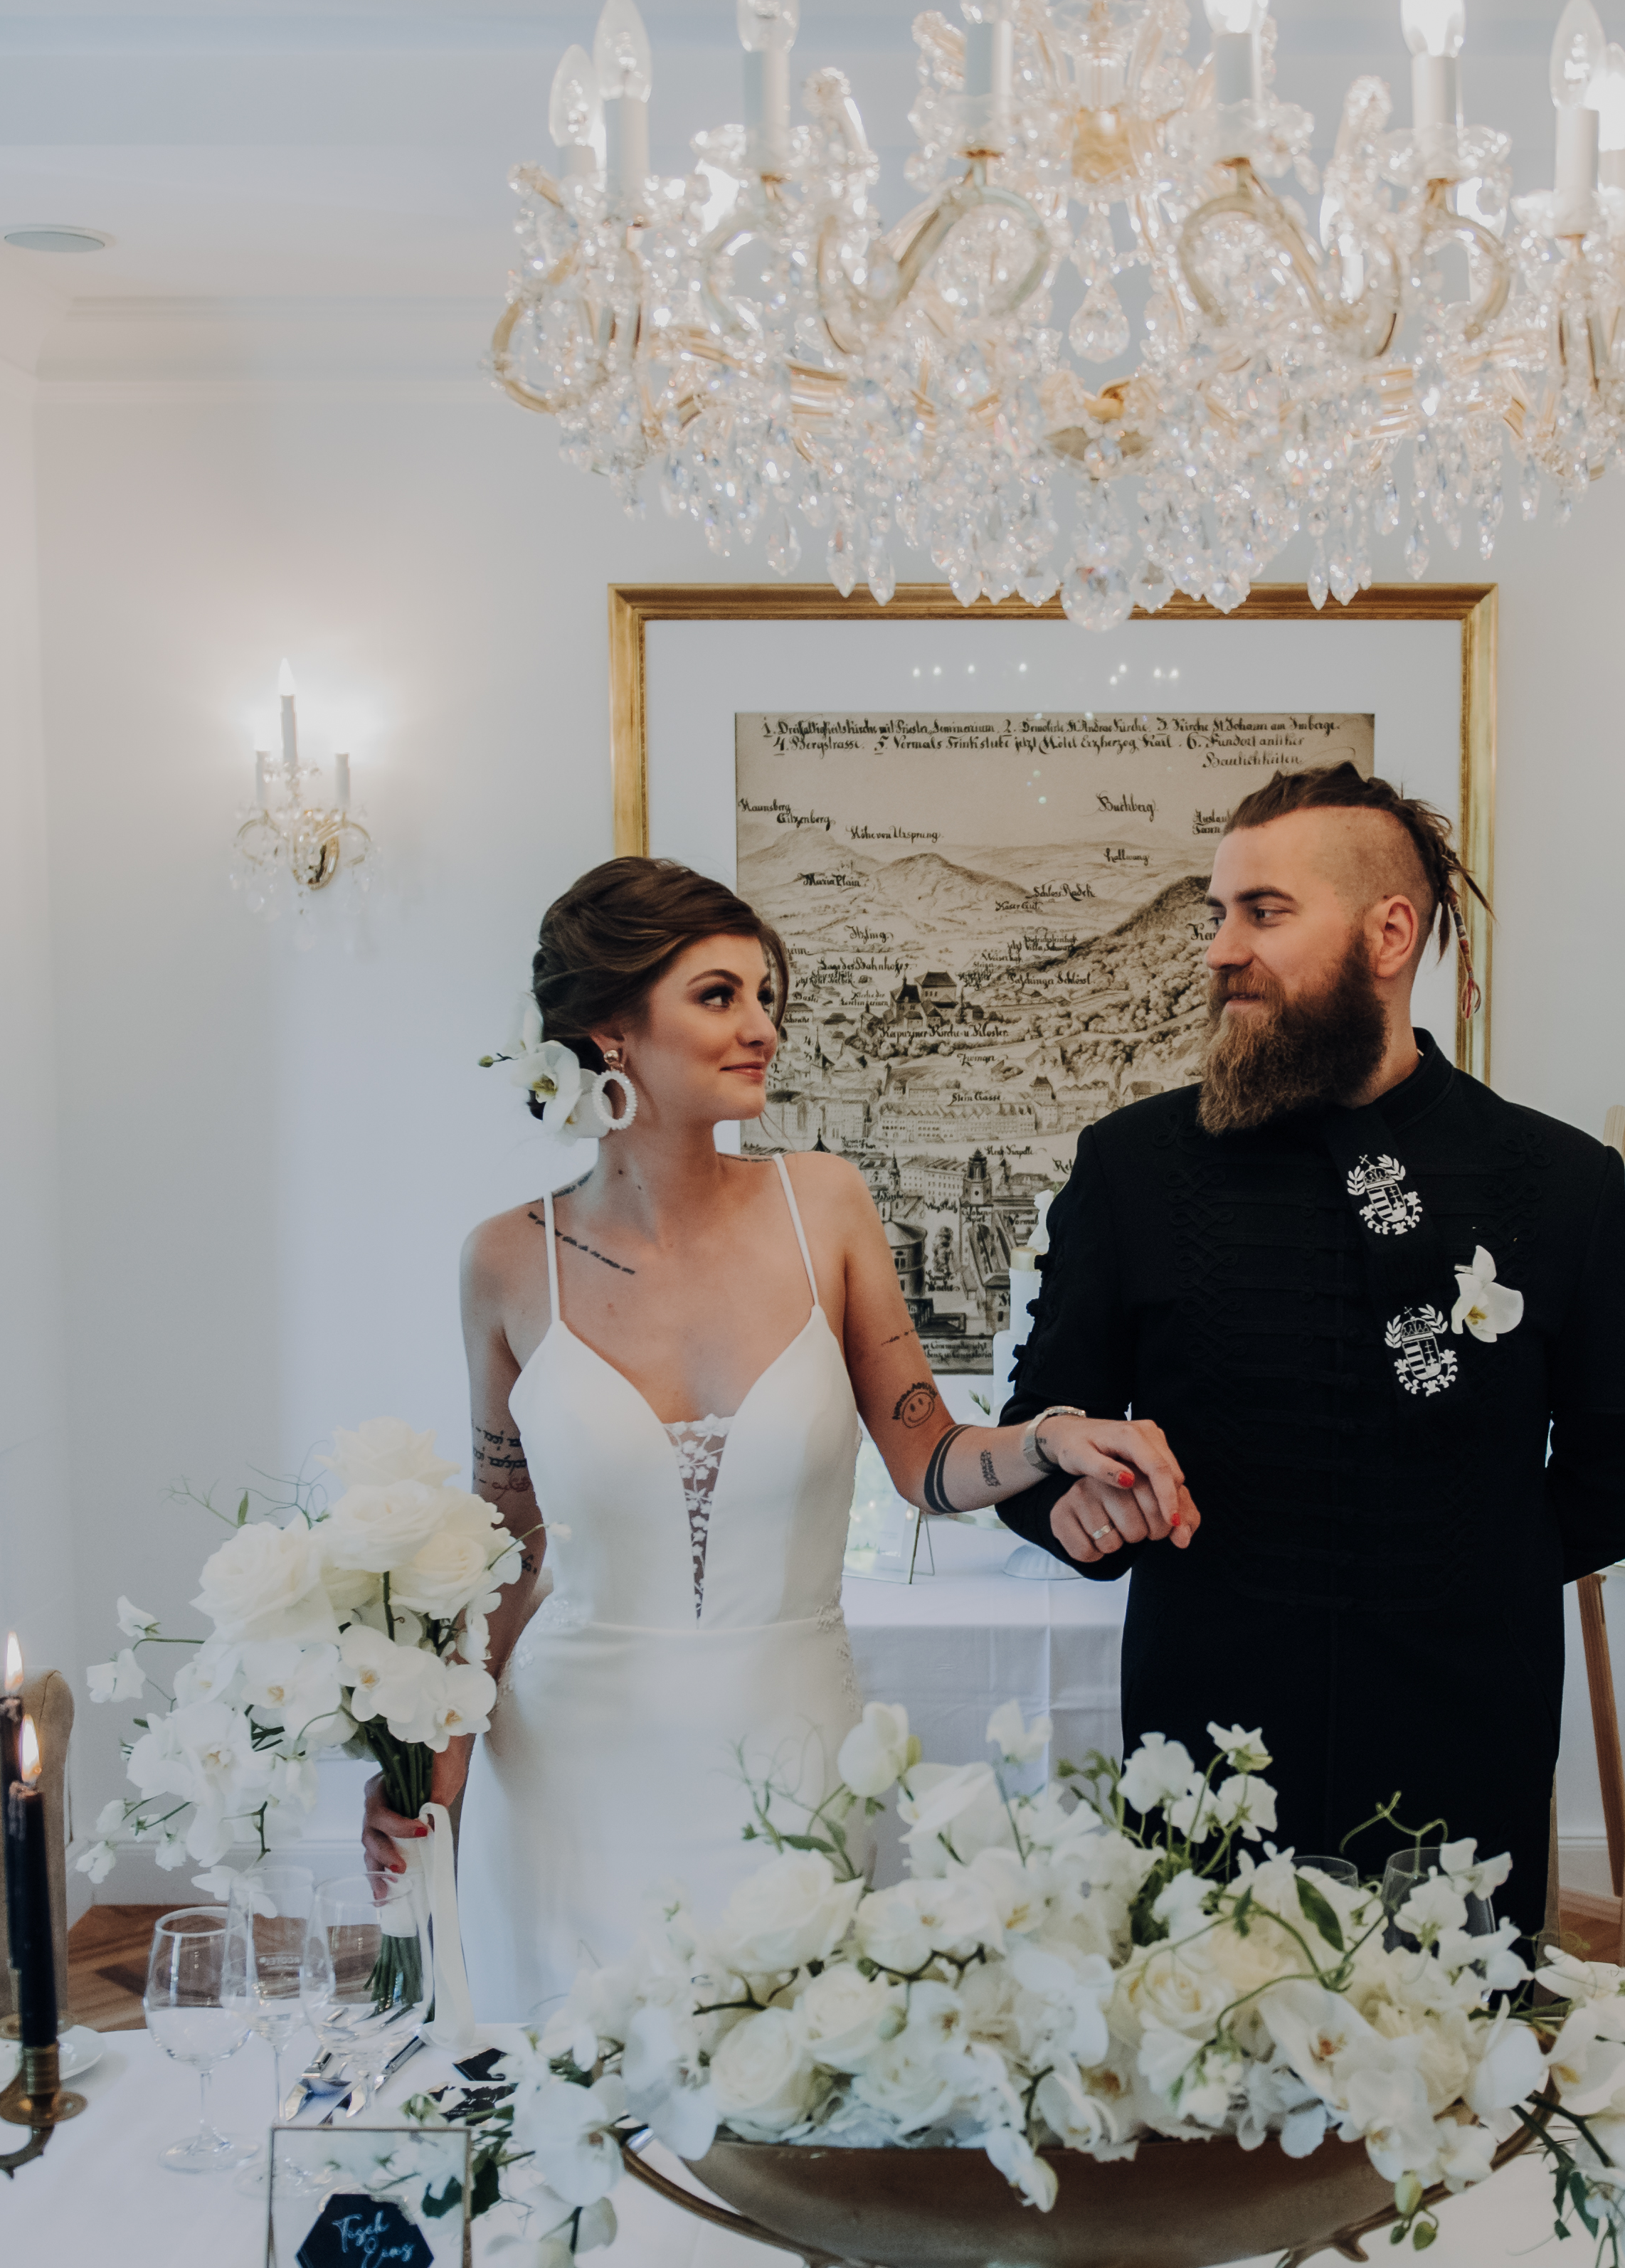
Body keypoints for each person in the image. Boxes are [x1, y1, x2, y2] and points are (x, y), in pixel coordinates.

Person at [369, 857, 1191, 2025]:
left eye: (766, 997)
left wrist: (1052, 1439)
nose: (763, 1028)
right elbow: (502, 1538)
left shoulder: (827, 1207)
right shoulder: (506, 1260)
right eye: (719, 996)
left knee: (791, 2100)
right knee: (576, 2111)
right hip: (568, 1770)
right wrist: (431, 1750)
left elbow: (930, 1458)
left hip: (795, 1751)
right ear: (609, 1030)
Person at [993, 767, 1625, 1920]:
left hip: (1467, 1741)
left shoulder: (1561, 1184)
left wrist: (1472, 1568)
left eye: (1263, 913)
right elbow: (1045, 1423)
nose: (1222, 949)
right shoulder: (1132, 1167)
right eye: (1218, 915)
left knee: (1460, 2082)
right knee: (1204, 2079)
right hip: (1202, 1740)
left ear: (1390, 931)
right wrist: (1069, 1496)